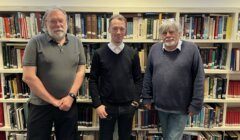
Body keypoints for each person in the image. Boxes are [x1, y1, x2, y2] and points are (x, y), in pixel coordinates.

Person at [22, 7, 86, 140]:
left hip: (68, 104)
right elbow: (28, 77)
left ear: (67, 23)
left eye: (61, 21)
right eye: (53, 21)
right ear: (45, 24)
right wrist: (54, 102)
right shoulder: (35, 43)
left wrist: (71, 96)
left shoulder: (76, 42)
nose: (58, 25)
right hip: (40, 105)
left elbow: (80, 71)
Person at [142, 19, 205, 140]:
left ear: (179, 33)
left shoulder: (192, 49)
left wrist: (196, 104)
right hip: (160, 106)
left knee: (172, 138)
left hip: (181, 107)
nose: (168, 35)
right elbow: (148, 74)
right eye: (164, 33)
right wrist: (146, 97)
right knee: (167, 136)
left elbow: (199, 77)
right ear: (161, 35)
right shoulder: (155, 49)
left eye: (171, 32)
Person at [89, 14, 142, 140]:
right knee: (105, 137)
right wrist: (97, 105)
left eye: (122, 29)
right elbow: (92, 80)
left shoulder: (133, 54)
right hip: (106, 107)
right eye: (115, 28)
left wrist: (135, 103)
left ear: (125, 31)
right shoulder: (99, 54)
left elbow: (139, 80)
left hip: (128, 106)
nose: (118, 32)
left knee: (125, 137)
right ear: (109, 30)